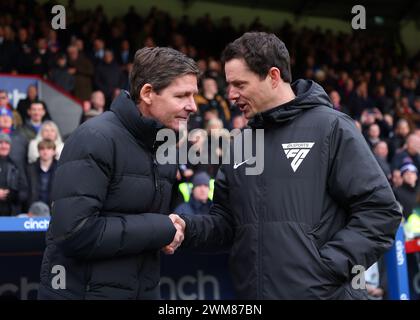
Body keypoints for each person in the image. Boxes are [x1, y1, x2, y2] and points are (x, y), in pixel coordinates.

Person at [166, 32, 401, 299]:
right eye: (229, 84)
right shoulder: (242, 143)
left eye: (240, 84)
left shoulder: (331, 128)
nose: (231, 94)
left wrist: (326, 268)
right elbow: (228, 225)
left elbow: (380, 211)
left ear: (274, 76)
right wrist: (187, 228)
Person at [38, 46, 199, 300]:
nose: (193, 107)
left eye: (194, 96)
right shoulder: (93, 138)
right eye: (182, 96)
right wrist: (160, 228)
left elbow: (161, 217)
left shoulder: (166, 146)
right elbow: (73, 232)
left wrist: (176, 227)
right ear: (147, 93)